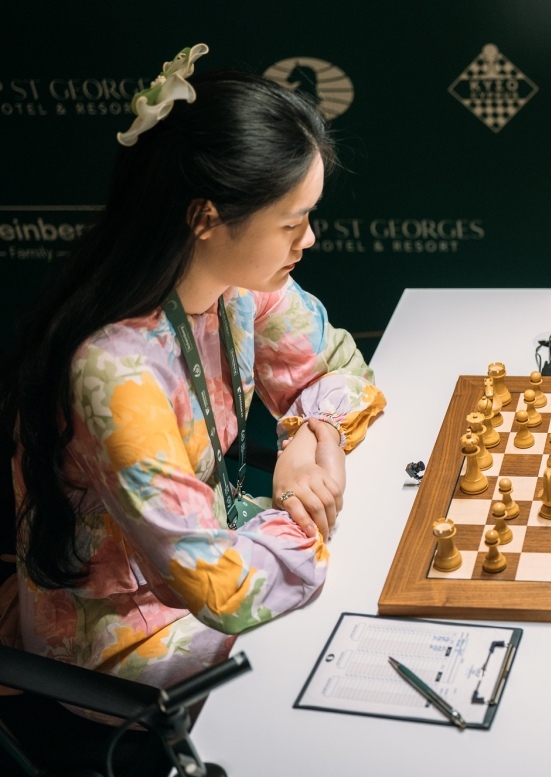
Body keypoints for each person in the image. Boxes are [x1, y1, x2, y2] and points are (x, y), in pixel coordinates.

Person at [1, 43, 385, 750]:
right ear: (206, 217)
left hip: (221, 554)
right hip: (124, 638)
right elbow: (224, 588)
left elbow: (340, 368)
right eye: (291, 222)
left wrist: (314, 436)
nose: (309, 238)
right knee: (348, 653)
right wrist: (306, 512)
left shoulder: (238, 283)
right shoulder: (115, 374)